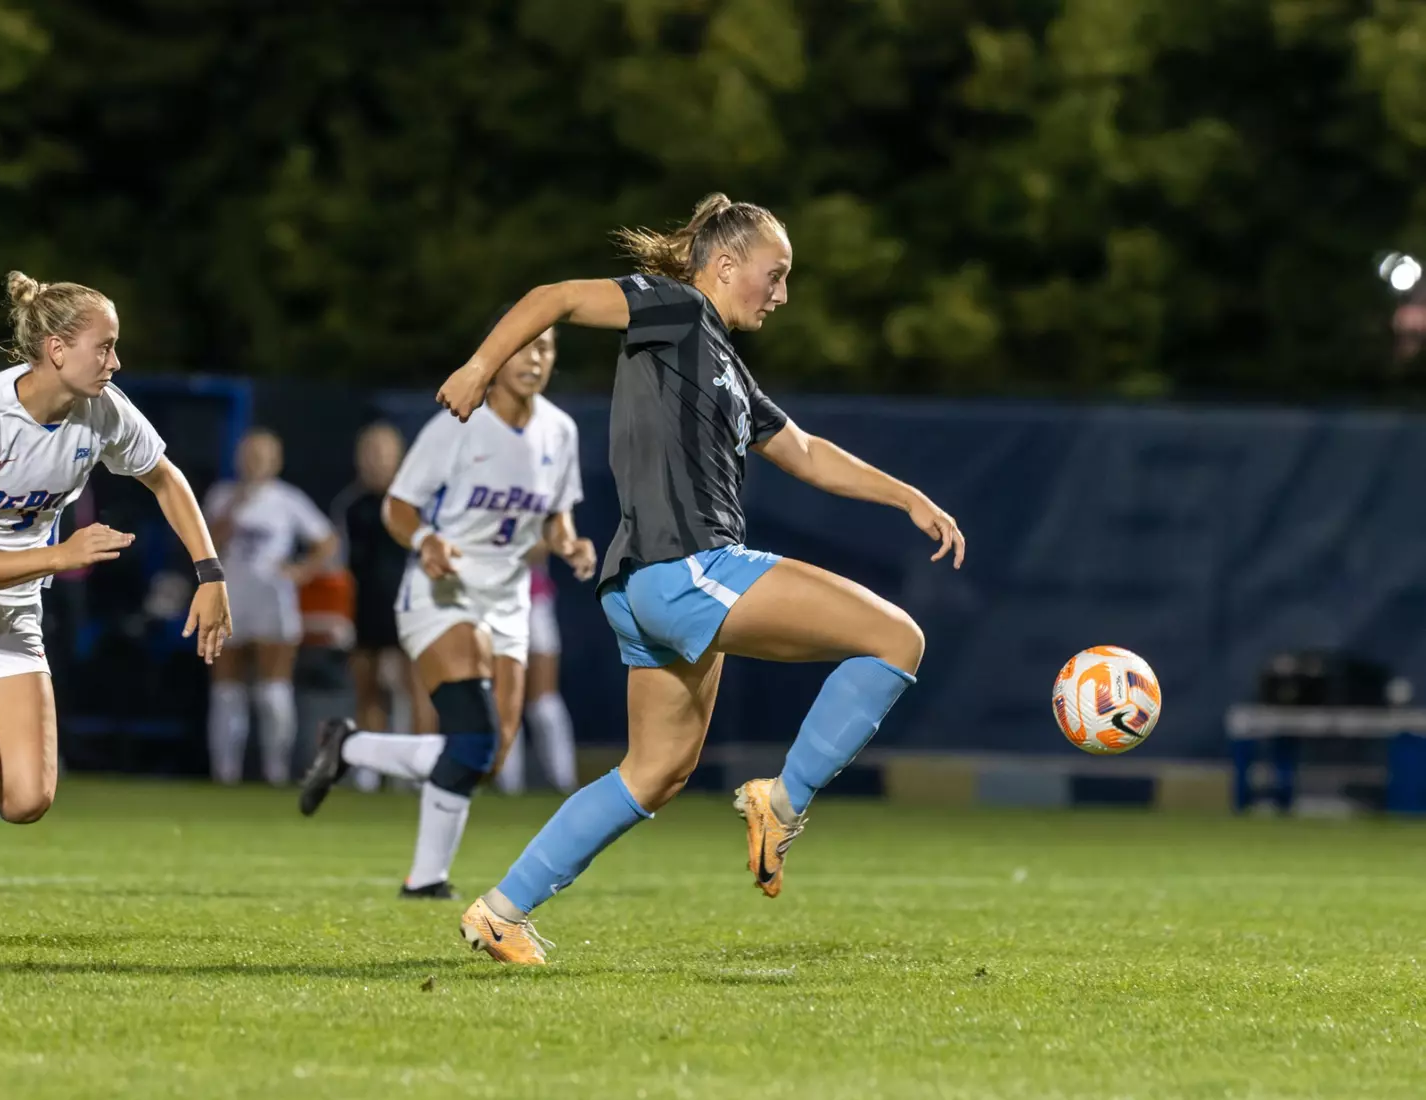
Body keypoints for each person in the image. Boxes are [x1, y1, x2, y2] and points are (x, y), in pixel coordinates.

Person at [432, 194, 965, 965]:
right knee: (896, 637)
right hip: (688, 568)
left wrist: (907, 496)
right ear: (725, 265)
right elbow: (556, 299)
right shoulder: (677, 308)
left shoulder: (725, 365)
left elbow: (806, 452)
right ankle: (779, 804)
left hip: (644, 586)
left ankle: (501, 911)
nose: (781, 295)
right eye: (774, 274)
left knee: (653, 773)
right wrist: (481, 366)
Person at [0, 270, 232, 956]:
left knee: (25, 798)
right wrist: (63, 556)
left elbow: (165, 478)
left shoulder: (103, 409)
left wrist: (210, 573)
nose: (115, 362)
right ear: (56, 349)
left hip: (15, 599)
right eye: (104, 347)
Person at [298, 318, 597, 900]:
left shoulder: (559, 431)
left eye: (546, 349)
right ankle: (425, 879)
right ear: (499, 354)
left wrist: (569, 543)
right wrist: (427, 540)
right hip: (442, 593)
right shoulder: (459, 425)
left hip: (509, 599)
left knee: (486, 757)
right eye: (524, 348)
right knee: (473, 737)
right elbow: (398, 509)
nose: (535, 359)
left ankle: (349, 747)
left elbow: (557, 515)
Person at [204, 429, 338, 786]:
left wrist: (301, 571)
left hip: (272, 601)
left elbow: (326, 540)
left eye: (263, 455)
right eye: (249, 454)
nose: (255, 462)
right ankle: (225, 773)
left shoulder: (287, 500)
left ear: (276, 461)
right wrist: (234, 507)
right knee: (226, 690)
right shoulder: (221, 496)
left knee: (272, 689)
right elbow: (204, 543)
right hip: (229, 597)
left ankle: (275, 772)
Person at [330, 423, 434, 789]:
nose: (375, 461)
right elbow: (342, 561)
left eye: (383, 453)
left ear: (398, 457)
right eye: (368, 453)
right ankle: (370, 773)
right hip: (368, 606)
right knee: (367, 687)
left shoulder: (415, 502)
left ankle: (420, 772)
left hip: (411, 606)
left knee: (418, 688)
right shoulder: (350, 505)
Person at [494, 525, 578, 796]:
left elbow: (548, 542)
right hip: (494, 605)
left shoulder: (539, 490)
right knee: (507, 700)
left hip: (536, 602)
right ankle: (509, 786)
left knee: (544, 701)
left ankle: (565, 781)